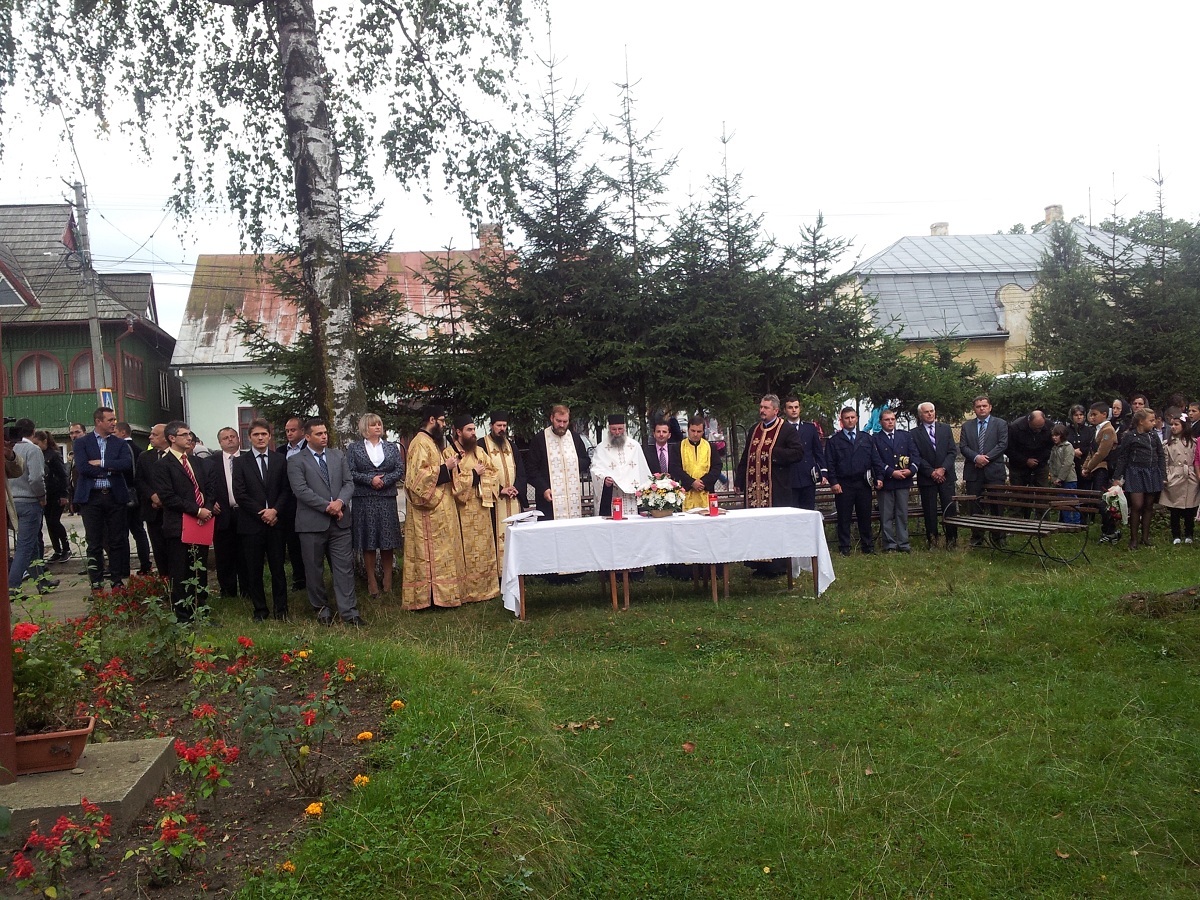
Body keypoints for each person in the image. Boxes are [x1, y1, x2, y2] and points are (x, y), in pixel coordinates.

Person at [288, 419, 364, 626]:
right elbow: (301, 490)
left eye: (325, 433)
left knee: (344, 569)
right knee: (314, 569)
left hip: (340, 523)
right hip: (312, 524)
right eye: (319, 433)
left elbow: (348, 483)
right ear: (307, 437)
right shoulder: (296, 461)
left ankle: (349, 612)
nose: (324, 436)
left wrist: (339, 503)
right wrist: (327, 507)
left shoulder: (337, 456)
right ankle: (322, 611)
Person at [402, 406, 467, 611]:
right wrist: (444, 467)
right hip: (428, 513)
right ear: (432, 419)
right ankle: (430, 599)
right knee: (431, 555)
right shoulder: (420, 442)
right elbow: (416, 479)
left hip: (441, 509)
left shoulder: (431, 442)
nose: (445, 424)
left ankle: (445, 596)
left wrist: (452, 465)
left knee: (443, 553)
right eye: (442, 420)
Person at [154, 420, 216, 622]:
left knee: (200, 569)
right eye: (184, 435)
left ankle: (202, 611)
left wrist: (207, 507)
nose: (190, 438)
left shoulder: (196, 461)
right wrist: (197, 510)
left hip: (201, 523)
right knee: (180, 571)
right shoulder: (163, 465)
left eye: (190, 434)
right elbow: (168, 497)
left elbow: (207, 488)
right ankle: (183, 616)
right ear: (172, 438)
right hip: (179, 525)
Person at [232, 419, 293, 621]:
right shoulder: (240, 462)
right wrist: (262, 512)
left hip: (276, 523)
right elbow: (240, 494)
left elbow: (286, 490)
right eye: (256, 434)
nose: (260, 438)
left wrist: (274, 511)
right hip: (252, 524)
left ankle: (281, 609)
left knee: (278, 568)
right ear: (249, 438)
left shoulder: (279, 460)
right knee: (254, 570)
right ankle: (260, 609)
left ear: (269, 436)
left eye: (264, 434)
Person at [73, 407, 133, 590]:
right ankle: (96, 582)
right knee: (94, 542)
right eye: (110, 420)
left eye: (114, 419)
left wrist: (102, 463)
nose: (114, 423)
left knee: (116, 540)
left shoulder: (120, 443)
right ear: (99, 421)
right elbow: (83, 467)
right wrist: (109, 470)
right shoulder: (83, 442)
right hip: (92, 498)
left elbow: (125, 464)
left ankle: (116, 580)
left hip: (114, 497)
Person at [346, 413, 404, 597]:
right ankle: (371, 580)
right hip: (364, 498)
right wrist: (370, 480)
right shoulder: (354, 448)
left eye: (379, 424)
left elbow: (399, 469)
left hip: (386, 497)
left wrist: (384, 480)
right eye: (373, 425)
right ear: (365, 428)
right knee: (368, 541)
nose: (378, 427)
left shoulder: (391, 447)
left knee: (387, 540)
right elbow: (351, 471)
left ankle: (388, 579)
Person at [448, 415, 500, 602]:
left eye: (474, 429)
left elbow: (493, 473)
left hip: (481, 509)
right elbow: (453, 484)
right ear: (458, 431)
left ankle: (488, 589)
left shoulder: (479, 451)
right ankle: (468, 591)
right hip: (462, 511)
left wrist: (481, 480)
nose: (473, 433)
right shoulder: (449, 453)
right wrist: (474, 475)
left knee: (484, 550)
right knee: (466, 552)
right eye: (469, 430)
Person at [9, 418, 57, 597]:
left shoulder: (10, 449)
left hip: (11, 501)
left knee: (33, 544)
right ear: (33, 431)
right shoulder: (33, 450)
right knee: (25, 546)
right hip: (29, 501)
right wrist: (41, 496)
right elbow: (36, 477)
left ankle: (41, 582)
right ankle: (13, 587)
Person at [735, 394, 804, 511]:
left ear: (776, 411)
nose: (762, 410)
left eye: (766, 408)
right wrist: (739, 481)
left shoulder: (786, 429)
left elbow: (798, 453)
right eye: (761, 407)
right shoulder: (754, 429)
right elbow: (746, 456)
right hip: (754, 489)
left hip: (777, 486)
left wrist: (773, 453)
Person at [1111, 408, 1166, 550]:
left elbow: (1160, 456)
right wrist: (1117, 477)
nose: (1154, 423)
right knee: (1137, 505)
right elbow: (1123, 457)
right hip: (1135, 472)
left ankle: (1145, 538)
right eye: (1151, 420)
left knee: (1148, 506)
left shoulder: (1154, 436)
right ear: (1141, 422)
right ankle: (1133, 539)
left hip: (1152, 472)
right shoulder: (1130, 436)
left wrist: (1163, 476)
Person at [959, 395, 1008, 547]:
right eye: (978, 406)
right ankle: (977, 538)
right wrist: (976, 458)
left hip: (994, 471)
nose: (981, 408)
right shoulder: (967, 426)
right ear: (974, 409)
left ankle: (998, 537)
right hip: (974, 472)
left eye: (984, 406)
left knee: (997, 505)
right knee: (975, 506)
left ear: (990, 407)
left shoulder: (1000, 424)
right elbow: (963, 447)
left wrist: (985, 458)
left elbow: (1002, 444)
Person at [825, 407, 876, 556]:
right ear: (841, 421)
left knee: (865, 516)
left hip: (863, 483)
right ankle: (844, 547)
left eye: (852, 417)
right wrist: (833, 482)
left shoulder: (866, 438)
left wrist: (877, 477)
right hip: (844, 484)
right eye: (846, 418)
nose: (850, 420)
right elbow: (830, 463)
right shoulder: (834, 441)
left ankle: (868, 546)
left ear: (857, 418)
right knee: (844, 517)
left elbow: (874, 460)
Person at [526, 404, 589, 521]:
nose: (561, 425)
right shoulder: (540, 439)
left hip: (571, 498)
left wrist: (570, 463)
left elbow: (585, 460)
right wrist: (543, 488)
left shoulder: (574, 438)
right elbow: (531, 469)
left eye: (565, 421)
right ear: (551, 418)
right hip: (548, 498)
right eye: (558, 421)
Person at [482, 411, 527, 573]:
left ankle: (516, 570)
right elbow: (484, 473)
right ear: (491, 426)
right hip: (495, 501)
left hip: (513, 499)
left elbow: (521, 470)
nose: (502, 429)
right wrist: (501, 489)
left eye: (504, 426)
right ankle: (498, 573)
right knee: (495, 535)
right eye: (498, 426)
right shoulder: (482, 445)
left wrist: (517, 487)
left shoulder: (511, 445)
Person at [910, 402, 957, 549]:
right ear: (920, 415)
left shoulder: (946, 429)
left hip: (946, 476)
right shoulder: (914, 433)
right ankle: (933, 541)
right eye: (926, 412)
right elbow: (915, 456)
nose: (930, 414)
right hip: (927, 478)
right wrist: (931, 472)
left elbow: (952, 452)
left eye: (932, 411)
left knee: (949, 509)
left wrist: (942, 469)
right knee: (929, 511)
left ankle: (952, 540)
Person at [871, 409, 919, 553]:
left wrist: (911, 470)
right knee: (886, 515)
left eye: (892, 419)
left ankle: (903, 544)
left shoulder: (905, 436)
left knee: (902, 513)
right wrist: (891, 472)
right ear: (880, 422)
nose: (890, 422)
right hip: (886, 481)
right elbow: (875, 460)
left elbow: (915, 455)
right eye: (887, 419)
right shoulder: (875, 439)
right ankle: (889, 545)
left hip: (903, 480)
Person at [209, 426, 248, 598]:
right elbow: (206, 486)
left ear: (239, 439)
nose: (230, 439)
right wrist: (210, 503)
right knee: (224, 554)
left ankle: (248, 589)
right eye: (225, 438)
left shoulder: (248, 459)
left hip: (245, 513)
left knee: (246, 554)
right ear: (220, 442)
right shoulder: (211, 461)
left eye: (233, 436)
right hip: (222, 513)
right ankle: (227, 591)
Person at [591, 415, 653, 516]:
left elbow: (643, 470)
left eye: (620, 429)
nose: (617, 432)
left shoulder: (634, 446)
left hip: (631, 497)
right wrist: (604, 479)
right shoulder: (601, 448)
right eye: (613, 429)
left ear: (624, 428)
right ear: (609, 429)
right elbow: (595, 469)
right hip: (611, 495)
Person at [115, 421, 153, 575]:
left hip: (125, 495)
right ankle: (145, 564)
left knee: (123, 532)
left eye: (115, 432)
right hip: (139, 496)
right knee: (139, 531)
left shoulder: (122, 449)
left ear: (123, 433)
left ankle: (124, 568)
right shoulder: (139, 450)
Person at [276, 416, 309, 591]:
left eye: (293, 430)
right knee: (292, 543)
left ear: (302, 432)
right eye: (287, 430)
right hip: (287, 504)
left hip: (306, 501)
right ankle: (298, 579)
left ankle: (310, 577)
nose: (289, 433)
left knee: (307, 543)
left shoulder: (309, 448)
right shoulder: (281, 451)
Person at [1081, 402, 1120, 544]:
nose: (1092, 417)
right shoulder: (1097, 429)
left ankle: (1110, 531)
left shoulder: (1108, 430)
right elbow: (1092, 452)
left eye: (1095, 414)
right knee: (1100, 500)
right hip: (1096, 468)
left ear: (1104, 414)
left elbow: (1102, 453)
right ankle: (1108, 530)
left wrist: (1089, 467)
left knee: (1102, 500)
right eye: (1090, 415)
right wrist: (1085, 467)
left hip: (1103, 468)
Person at [135, 423, 170, 573]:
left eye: (155, 435)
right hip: (153, 512)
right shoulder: (145, 457)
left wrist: (164, 499)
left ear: (167, 437)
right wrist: (152, 496)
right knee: (159, 549)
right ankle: (164, 581)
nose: (150, 437)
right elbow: (139, 480)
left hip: (174, 511)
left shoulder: (178, 456)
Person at [782, 396, 827, 510]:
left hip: (807, 477)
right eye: (790, 407)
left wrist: (824, 472)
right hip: (788, 479)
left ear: (800, 409)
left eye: (796, 407)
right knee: (791, 515)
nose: (794, 410)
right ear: (785, 410)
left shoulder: (810, 428)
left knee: (808, 512)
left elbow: (818, 452)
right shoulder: (781, 429)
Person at [32, 430, 71, 562]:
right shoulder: (38, 455)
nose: (35, 446)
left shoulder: (52, 455)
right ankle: (57, 550)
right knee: (49, 523)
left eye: (37, 443)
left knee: (54, 521)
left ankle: (66, 548)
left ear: (45, 442)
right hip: (46, 493)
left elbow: (62, 475)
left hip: (56, 493)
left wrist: (64, 494)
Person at [1160, 414, 1198, 545]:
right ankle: (1175, 534)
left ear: (1184, 426)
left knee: (1190, 507)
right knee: (1174, 508)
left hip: (1190, 476)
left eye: (1176, 424)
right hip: (1175, 476)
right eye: (1172, 425)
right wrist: (1166, 477)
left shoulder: (1194, 443)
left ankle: (1189, 533)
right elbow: (1164, 461)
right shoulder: (1167, 444)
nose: (1173, 427)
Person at [680, 416, 721, 511]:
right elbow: (676, 468)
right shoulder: (679, 447)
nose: (695, 434)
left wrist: (703, 482)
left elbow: (717, 467)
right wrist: (692, 482)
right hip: (685, 493)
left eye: (699, 432)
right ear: (688, 430)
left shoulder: (710, 447)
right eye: (692, 431)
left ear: (703, 432)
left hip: (706, 492)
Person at [1006, 409, 1052, 494]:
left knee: (1042, 492)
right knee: (1019, 494)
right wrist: (1025, 460)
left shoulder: (1049, 426)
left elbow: (1050, 446)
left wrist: (1039, 459)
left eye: (1040, 428)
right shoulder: (1015, 427)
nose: (1038, 430)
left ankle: (1041, 507)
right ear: (1029, 421)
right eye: (1035, 428)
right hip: (1019, 466)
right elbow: (1009, 449)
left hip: (1040, 464)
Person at [1047, 424, 1080, 525]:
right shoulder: (1054, 448)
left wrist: (1060, 478)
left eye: (1057, 435)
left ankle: (1075, 522)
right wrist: (1053, 477)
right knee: (1061, 501)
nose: (1054, 438)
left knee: (1071, 500)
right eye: (1053, 435)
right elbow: (1051, 463)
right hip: (1058, 479)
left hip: (1069, 479)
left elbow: (1067, 463)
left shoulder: (1068, 446)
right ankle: (1065, 521)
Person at [1065, 404, 1094, 492]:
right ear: (1072, 416)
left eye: (1081, 415)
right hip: (1070, 464)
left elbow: (1091, 445)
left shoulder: (1089, 430)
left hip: (1084, 462)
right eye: (1076, 415)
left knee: (1084, 488)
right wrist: (1073, 451)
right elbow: (1063, 444)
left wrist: (1081, 450)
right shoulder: (1066, 430)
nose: (1079, 417)